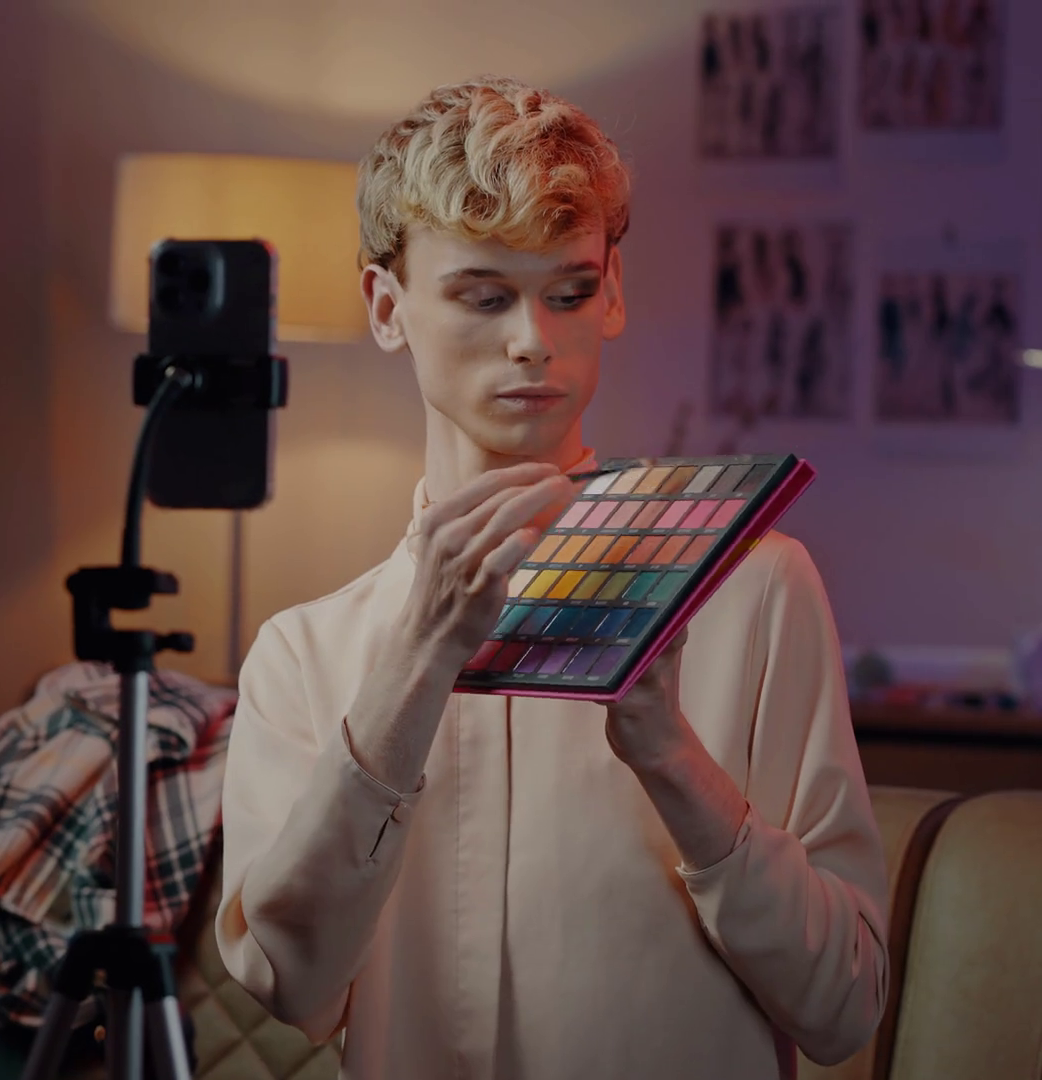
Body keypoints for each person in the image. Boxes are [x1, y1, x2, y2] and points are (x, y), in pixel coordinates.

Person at [213, 75, 889, 1080]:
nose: (533, 340)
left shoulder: (756, 591)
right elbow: (288, 985)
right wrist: (415, 664)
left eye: (567, 293)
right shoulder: (304, 653)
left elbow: (845, 1009)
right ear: (387, 307)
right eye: (483, 297)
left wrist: (672, 759)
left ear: (611, 293)